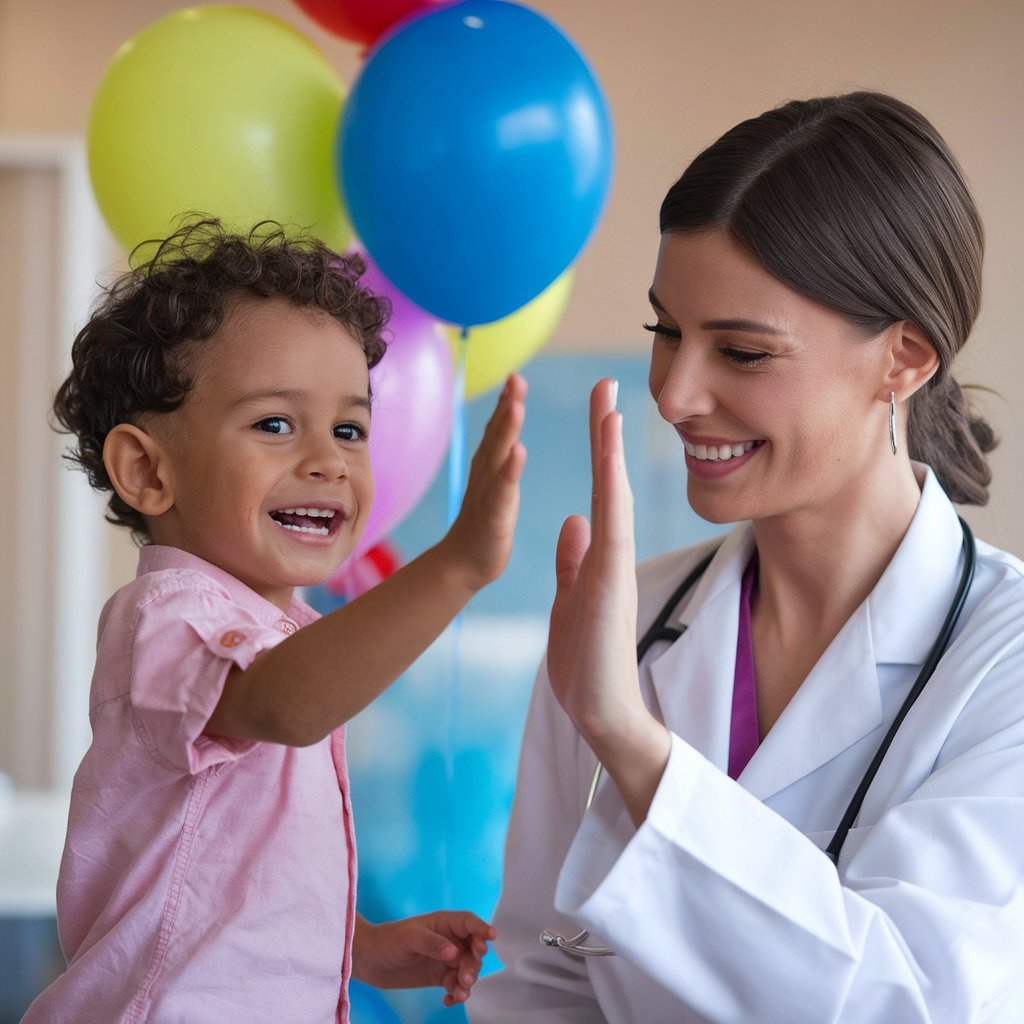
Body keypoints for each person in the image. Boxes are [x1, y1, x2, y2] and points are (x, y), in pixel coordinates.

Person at [470, 91, 1024, 1023]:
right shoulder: (627, 622)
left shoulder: (1002, 658)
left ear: (905, 358)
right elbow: (546, 975)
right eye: (667, 333)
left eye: (743, 352)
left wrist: (634, 747)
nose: (678, 393)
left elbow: (915, 1001)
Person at [23, 218, 527, 1023]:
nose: (327, 460)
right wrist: (457, 563)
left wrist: (355, 941)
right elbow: (282, 706)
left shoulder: (286, 638)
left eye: (350, 429)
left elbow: (234, 878)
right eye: (274, 424)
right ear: (148, 470)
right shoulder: (166, 618)